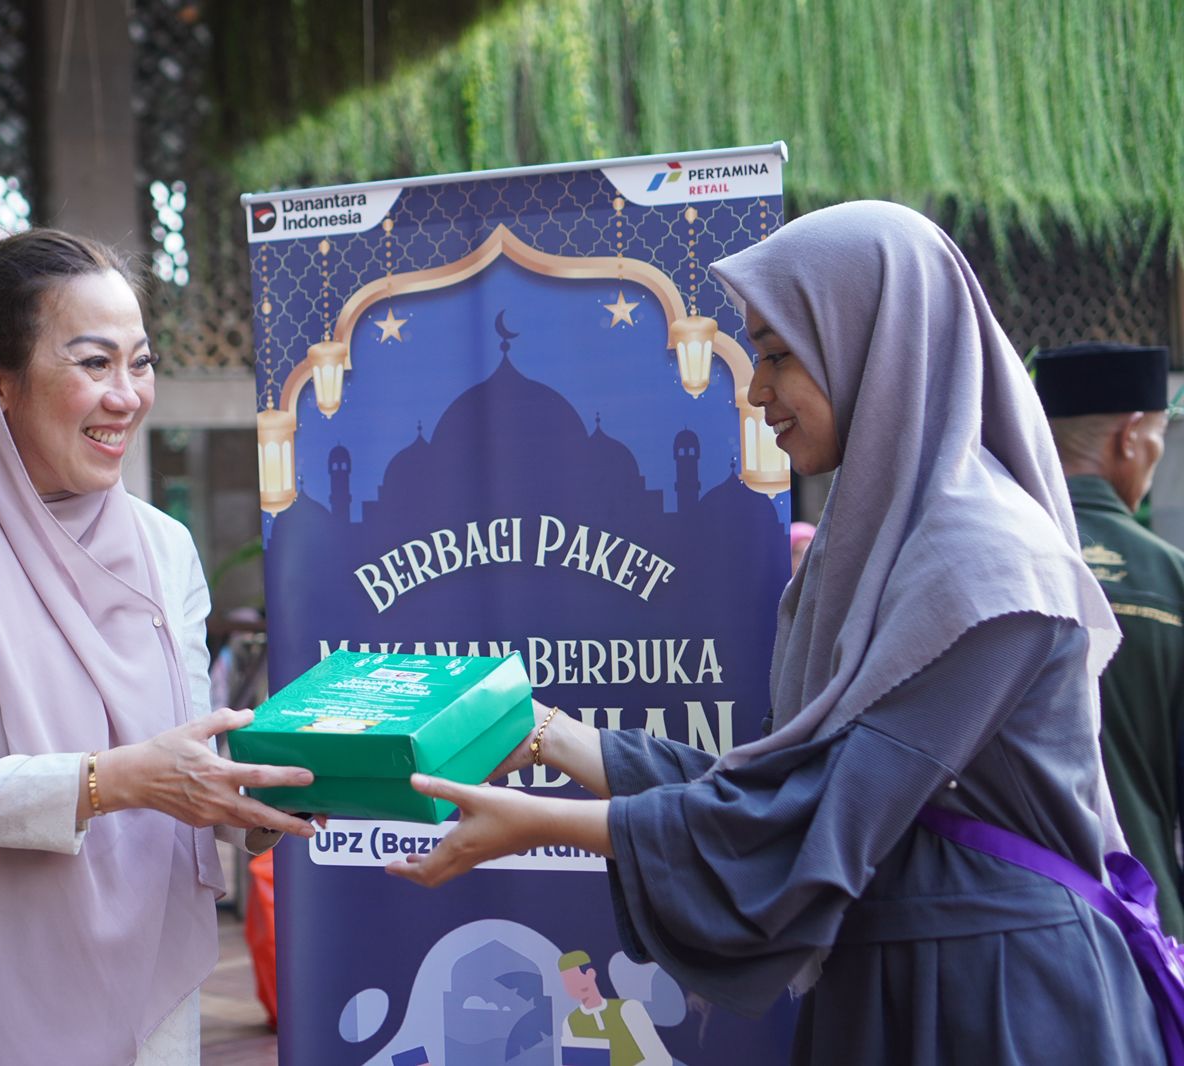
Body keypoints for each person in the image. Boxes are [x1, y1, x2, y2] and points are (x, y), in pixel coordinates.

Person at [386, 201, 1166, 1062]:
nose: (755, 390)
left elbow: (825, 815)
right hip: (894, 978)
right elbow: (782, 785)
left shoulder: (989, 569)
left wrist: (543, 823)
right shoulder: (870, 553)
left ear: (877, 343)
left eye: (778, 354)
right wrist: (549, 736)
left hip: (1000, 1001)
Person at [0, 227, 316, 1065]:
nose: (128, 396)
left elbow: (187, 762)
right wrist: (113, 780)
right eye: (94, 363)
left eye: (141, 362)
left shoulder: (162, 549)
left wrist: (274, 796)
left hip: (144, 985)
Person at [1036, 341, 1184, 937]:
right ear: (1130, 436)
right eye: (1158, 438)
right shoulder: (1171, 579)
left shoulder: (987, 558)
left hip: (1013, 935)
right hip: (1146, 930)